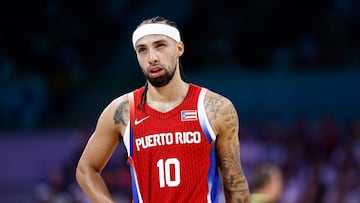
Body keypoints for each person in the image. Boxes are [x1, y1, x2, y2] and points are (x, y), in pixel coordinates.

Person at [76, 16, 250, 203]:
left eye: (160, 46)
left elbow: (234, 182)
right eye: (142, 50)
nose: (152, 58)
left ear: (179, 48)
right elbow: (86, 169)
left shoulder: (215, 108)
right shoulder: (122, 110)